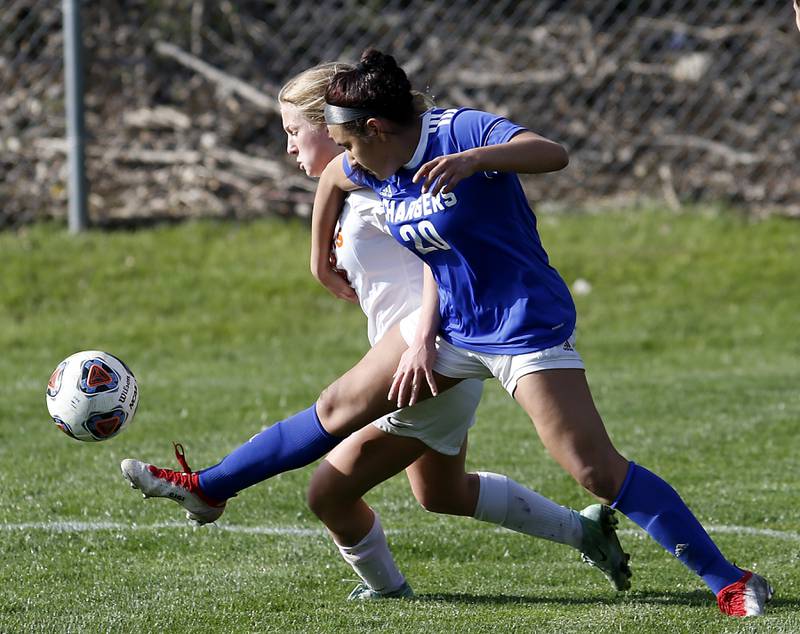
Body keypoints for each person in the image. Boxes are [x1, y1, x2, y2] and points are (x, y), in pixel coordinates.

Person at [121, 50, 770, 617]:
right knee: (340, 409)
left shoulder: (456, 130)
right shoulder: (370, 164)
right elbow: (339, 179)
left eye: (346, 142)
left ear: (375, 129)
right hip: (451, 326)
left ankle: (730, 581)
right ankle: (209, 489)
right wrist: (321, 255)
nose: (342, 159)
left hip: (519, 323)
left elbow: (554, 153)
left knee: (594, 469)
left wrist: (476, 161)